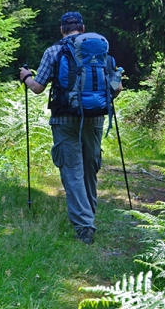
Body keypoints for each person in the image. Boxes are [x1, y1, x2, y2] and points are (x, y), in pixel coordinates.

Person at [20, 12, 123, 244]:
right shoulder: (100, 50)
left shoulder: (53, 51)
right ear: (83, 28)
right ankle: (89, 214)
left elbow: (37, 87)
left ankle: (84, 226)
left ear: (62, 30)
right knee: (90, 167)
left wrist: (26, 76)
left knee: (72, 170)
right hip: (95, 118)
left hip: (65, 120)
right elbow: (117, 88)